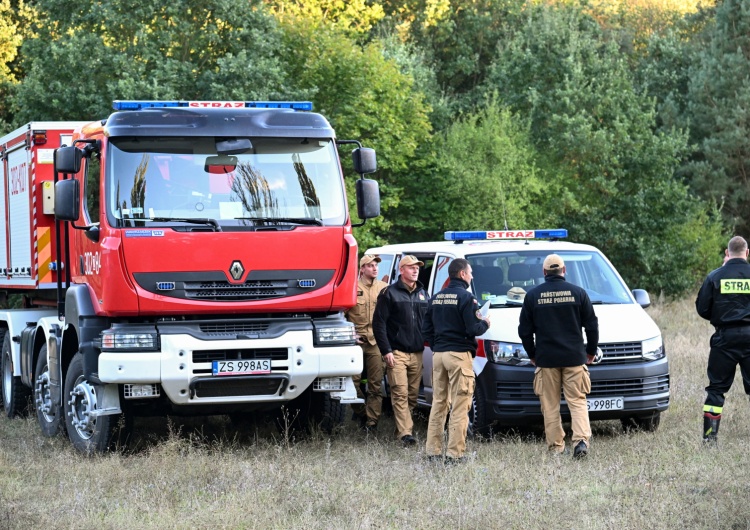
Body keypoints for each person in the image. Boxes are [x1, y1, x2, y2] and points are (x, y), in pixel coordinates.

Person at [518, 254, 599, 458]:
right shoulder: (578, 293)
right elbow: (592, 325)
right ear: (564, 271)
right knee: (578, 401)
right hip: (574, 358)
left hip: (547, 360)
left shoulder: (533, 296)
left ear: (544, 273)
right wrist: (590, 351)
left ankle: (556, 447)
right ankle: (580, 441)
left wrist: (533, 354)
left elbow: (524, 331)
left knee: (550, 405)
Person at [423, 259, 490, 463]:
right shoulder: (468, 299)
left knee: (439, 403)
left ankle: (433, 452)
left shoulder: (435, 298)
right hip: (459, 356)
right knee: (461, 405)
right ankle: (455, 454)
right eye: (470, 273)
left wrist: (438, 346)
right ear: (462, 274)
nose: (472, 276)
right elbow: (473, 329)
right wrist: (485, 323)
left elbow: (426, 330)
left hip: (439, 356)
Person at [695, 235, 750, 445]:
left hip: (724, 338)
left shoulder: (715, 277)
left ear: (727, 253)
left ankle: (710, 438)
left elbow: (702, 308)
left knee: (716, 390)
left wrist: (722, 318)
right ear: (747, 253)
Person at [373, 255, 429, 445]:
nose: (415, 270)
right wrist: (386, 350)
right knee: (399, 392)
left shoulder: (423, 292)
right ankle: (405, 434)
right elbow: (379, 324)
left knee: (412, 396)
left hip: (418, 353)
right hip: (396, 352)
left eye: (417, 268)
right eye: (411, 267)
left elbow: (428, 322)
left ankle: (403, 427)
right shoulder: (389, 293)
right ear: (402, 270)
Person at [345, 254, 388, 430]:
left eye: (376, 265)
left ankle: (372, 422)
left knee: (375, 385)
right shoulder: (351, 287)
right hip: (356, 341)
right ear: (362, 268)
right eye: (370, 265)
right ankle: (362, 412)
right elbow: (341, 315)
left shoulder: (384, 288)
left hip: (376, 341)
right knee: (351, 383)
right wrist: (350, 334)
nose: (375, 268)